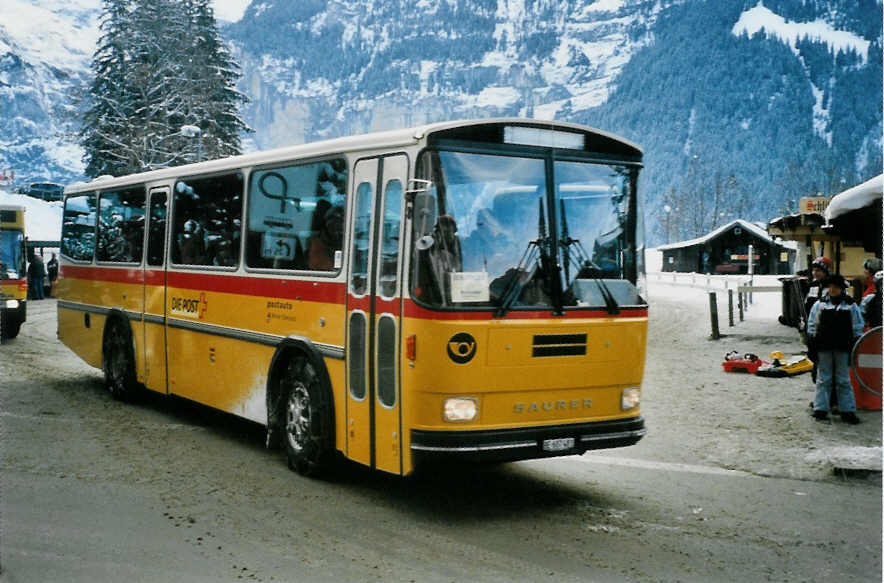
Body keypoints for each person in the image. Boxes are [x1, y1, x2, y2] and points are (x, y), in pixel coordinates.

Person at [807, 274, 864, 424]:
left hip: (843, 347)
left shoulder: (851, 306)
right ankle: (820, 409)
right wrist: (812, 344)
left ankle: (847, 410)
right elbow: (812, 324)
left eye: (836, 287)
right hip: (824, 346)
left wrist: (855, 344)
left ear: (842, 289)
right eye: (830, 286)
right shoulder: (820, 305)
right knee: (823, 379)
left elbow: (857, 326)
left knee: (843, 379)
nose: (832, 289)